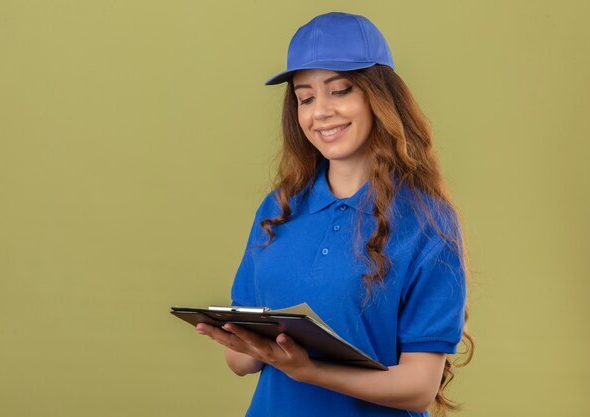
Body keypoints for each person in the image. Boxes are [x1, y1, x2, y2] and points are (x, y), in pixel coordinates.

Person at [195, 11, 474, 417]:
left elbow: (418, 387)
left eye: (340, 91)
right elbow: (242, 364)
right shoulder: (279, 207)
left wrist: (311, 371)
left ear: (379, 97)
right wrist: (243, 344)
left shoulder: (428, 222)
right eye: (305, 97)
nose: (319, 111)